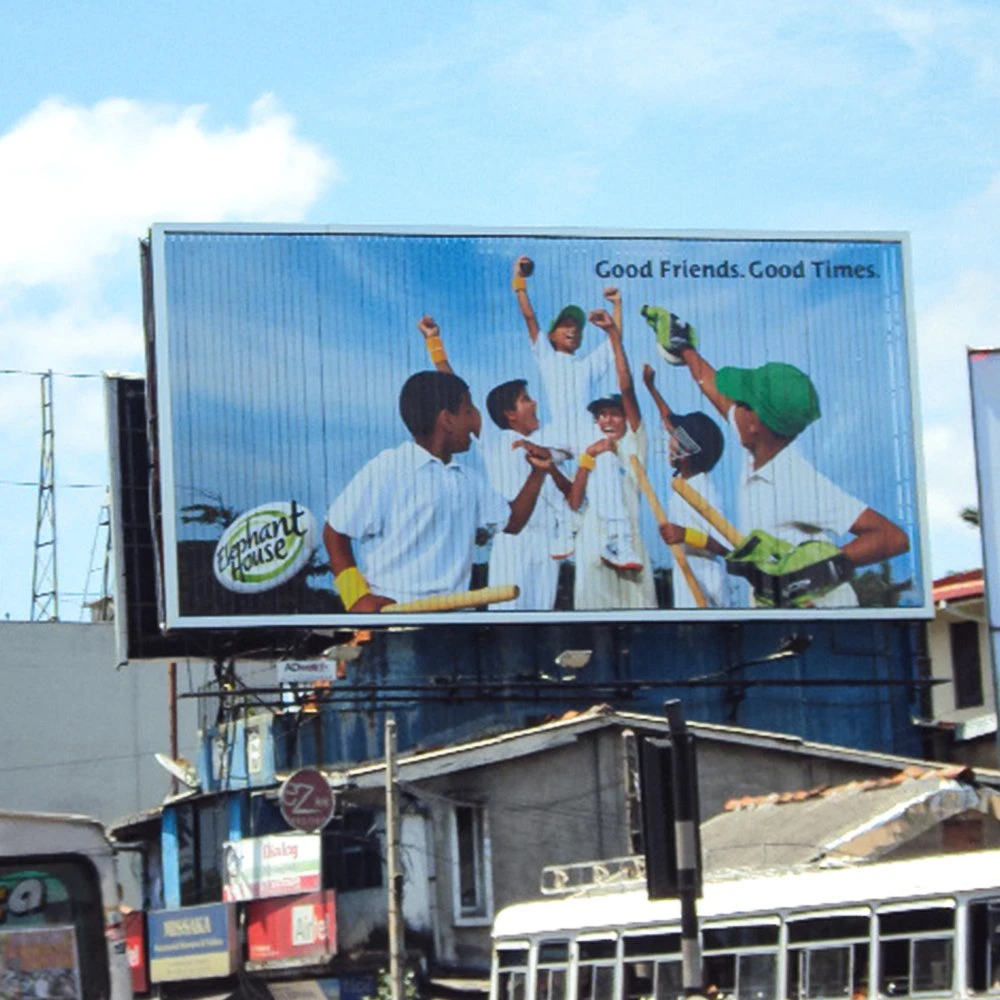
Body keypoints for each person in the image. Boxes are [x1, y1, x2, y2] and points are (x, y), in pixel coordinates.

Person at [645, 306, 910, 608]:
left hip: (822, 616)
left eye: (741, 403)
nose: (732, 407)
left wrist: (811, 574)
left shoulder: (795, 481)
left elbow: (892, 537)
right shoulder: (760, 442)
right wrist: (685, 348)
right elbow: (714, 388)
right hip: (776, 613)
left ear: (754, 422)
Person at [324, 363, 552, 611]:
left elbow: (513, 521)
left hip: (453, 625)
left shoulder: (468, 479)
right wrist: (355, 597)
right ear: (447, 420)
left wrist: (538, 473)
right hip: (397, 624)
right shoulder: (389, 467)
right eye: (468, 411)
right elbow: (335, 531)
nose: (474, 419)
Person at [417, 314, 573, 610]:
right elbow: (457, 393)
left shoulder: (552, 442)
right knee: (509, 630)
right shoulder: (496, 440)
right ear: (509, 414)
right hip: (513, 543)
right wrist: (434, 342)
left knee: (542, 628)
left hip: (548, 550)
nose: (535, 403)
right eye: (526, 399)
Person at [568, 307, 657, 610]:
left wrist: (613, 336)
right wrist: (587, 458)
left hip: (629, 546)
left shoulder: (634, 442)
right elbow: (573, 501)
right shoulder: (591, 450)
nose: (607, 420)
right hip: (593, 547)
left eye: (614, 413)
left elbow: (626, 387)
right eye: (601, 415)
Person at [641, 363, 730, 608]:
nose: (670, 441)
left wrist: (685, 535)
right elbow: (669, 420)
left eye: (675, 439)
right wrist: (651, 388)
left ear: (690, 451)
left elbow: (727, 546)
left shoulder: (703, 488)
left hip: (709, 593)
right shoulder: (681, 482)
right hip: (686, 587)